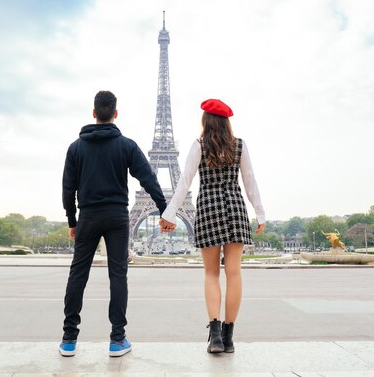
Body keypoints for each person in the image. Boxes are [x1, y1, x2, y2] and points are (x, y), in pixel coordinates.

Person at [60, 90, 173, 358]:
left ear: (94, 113)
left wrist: (71, 220)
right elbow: (148, 179)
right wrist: (164, 209)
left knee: (78, 274)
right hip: (117, 217)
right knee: (118, 275)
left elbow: (68, 189)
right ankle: (117, 338)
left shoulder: (75, 148)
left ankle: (68, 339)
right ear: (116, 113)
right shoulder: (127, 146)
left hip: (88, 215)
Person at [160, 98, 265, 354]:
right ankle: (229, 337)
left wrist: (169, 213)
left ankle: (215, 335)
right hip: (235, 206)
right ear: (226, 122)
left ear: (205, 121)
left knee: (211, 274)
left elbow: (184, 182)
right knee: (234, 273)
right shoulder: (240, 145)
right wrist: (260, 214)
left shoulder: (199, 146)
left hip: (208, 206)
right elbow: (250, 182)